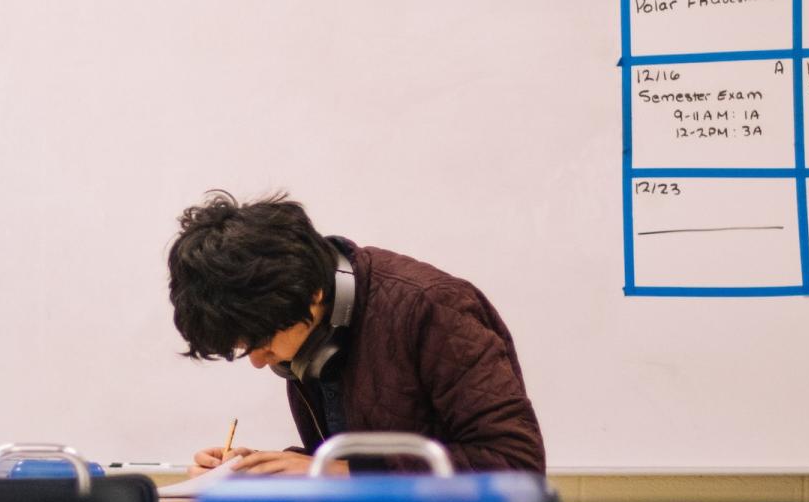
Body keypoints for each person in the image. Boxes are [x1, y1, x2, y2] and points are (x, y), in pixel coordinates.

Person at [167, 191, 545, 477]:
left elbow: (515, 464)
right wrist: (261, 471)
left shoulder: (432, 306)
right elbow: (358, 456)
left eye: (262, 343)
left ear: (312, 295)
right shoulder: (313, 332)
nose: (257, 362)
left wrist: (339, 473)